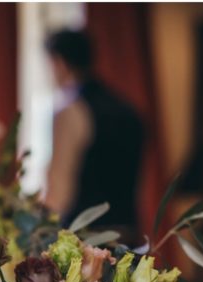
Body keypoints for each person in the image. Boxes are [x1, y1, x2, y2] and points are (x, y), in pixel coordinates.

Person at [43, 29, 146, 237]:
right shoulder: (130, 111)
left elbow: (60, 193)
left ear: (59, 62)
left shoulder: (71, 111)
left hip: (86, 240)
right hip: (128, 233)